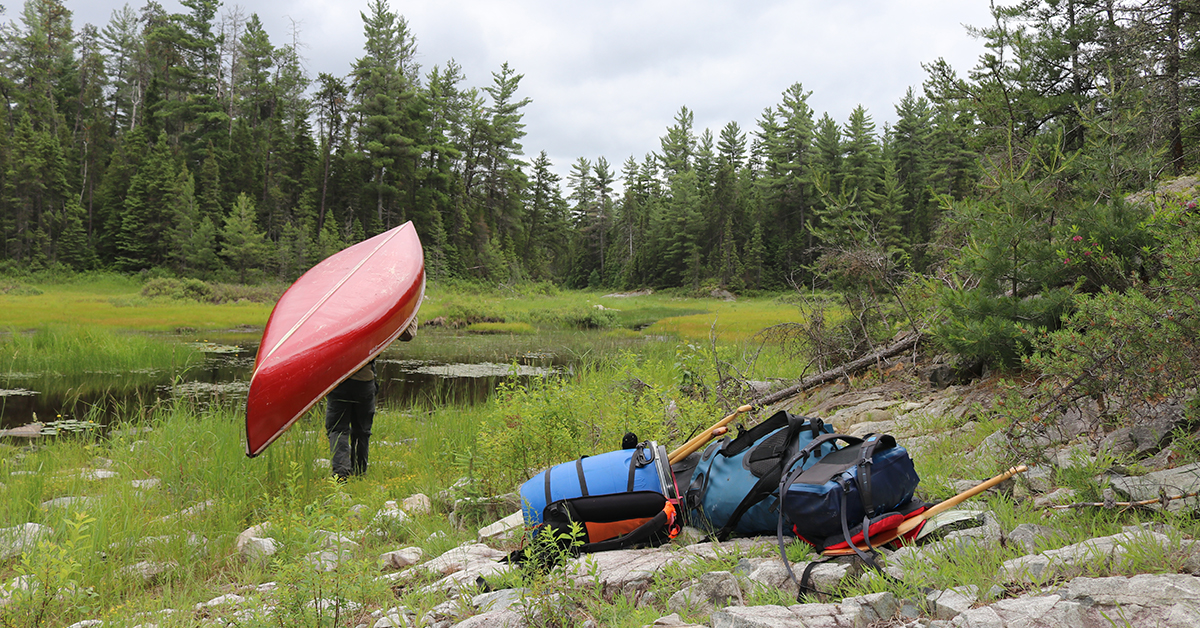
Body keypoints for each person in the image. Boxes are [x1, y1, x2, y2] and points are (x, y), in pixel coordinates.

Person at [326, 318, 416, 481]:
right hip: (364, 383)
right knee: (362, 431)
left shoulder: (336, 317)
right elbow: (408, 334)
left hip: (339, 381)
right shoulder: (375, 317)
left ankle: (340, 474)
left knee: (338, 429)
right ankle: (359, 474)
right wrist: (413, 307)